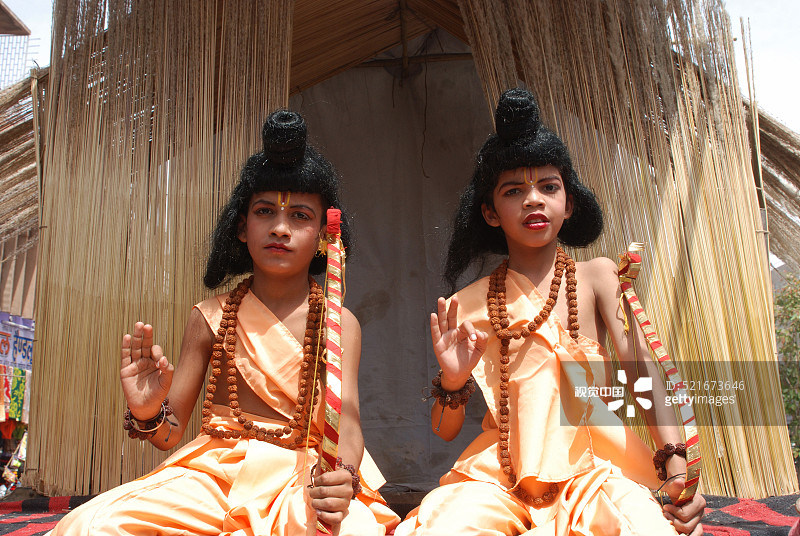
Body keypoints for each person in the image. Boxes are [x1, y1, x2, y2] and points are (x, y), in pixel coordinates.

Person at [48, 110, 400, 536]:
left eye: (301, 216)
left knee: (354, 530)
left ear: (326, 237)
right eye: (265, 211)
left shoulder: (340, 322)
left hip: (305, 474)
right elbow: (168, 433)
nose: (281, 228)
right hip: (214, 473)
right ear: (240, 227)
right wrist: (147, 411)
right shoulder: (210, 316)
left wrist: (342, 475)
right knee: (95, 525)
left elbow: (348, 421)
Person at [395, 88, 705, 536]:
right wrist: (453, 381)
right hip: (497, 481)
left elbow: (642, 374)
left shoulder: (599, 277)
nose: (534, 199)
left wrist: (677, 472)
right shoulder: (468, 303)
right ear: (490, 212)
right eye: (514, 190)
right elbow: (444, 432)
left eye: (548, 186)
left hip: (593, 473)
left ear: (569, 202)